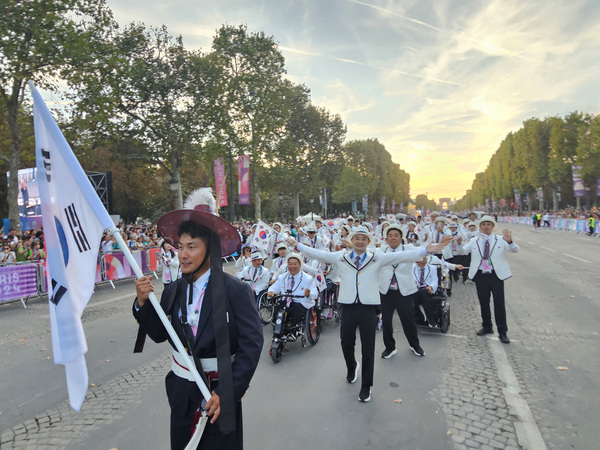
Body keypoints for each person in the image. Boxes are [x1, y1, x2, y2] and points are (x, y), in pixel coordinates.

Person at [133, 188, 263, 449]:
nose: (183, 254)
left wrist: (228, 392)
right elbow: (161, 334)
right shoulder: (174, 289)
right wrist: (142, 303)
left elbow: (252, 344)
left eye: (192, 247)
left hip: (218, 393)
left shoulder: (235, 290)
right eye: (180, 247)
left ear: (210, 249)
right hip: (182, 393)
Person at [287, 226, 447, 403]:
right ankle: (352, 366)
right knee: (346, 342)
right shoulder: (341, 257)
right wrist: (297, 246)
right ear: (352, 241)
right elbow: (319, 255)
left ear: (368, 242)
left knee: (368, 347)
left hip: (368, 307)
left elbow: (401, 256)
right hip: (347, 305)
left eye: (364, 239)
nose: (360, 241)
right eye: (357, 238)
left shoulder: (376, 257)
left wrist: (425, 250)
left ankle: (366, 386)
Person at [456, 215, 519, 344]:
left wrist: (510, 241)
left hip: (496, 275)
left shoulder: (500, 240)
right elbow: (463, 252)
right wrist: (458, 245)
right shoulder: (474, 241)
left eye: (488, 224)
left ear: (493, 227)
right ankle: (487, 326)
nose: (486, 226)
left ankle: (503, 332)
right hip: (481, 274)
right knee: (483, 302)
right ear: (480, 226)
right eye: (483, 224)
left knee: (499, 304)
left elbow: (514, 250)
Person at [376, 224, 426, 358]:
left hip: (405, 291)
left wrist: (423, 260)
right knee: (386, 321)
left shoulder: (409, 249)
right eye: (390, 236)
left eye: (396, 236)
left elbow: (422, 261)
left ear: (401, 238)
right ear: (386, 238)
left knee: (408, 320)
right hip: (386, 291)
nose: (393, 238)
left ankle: (415, 345)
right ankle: (390, 348)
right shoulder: (381, 251)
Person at [267, 252, 318, 327]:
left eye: (295, 264)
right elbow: (275, 287)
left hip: (301, 301)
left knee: (295, 308)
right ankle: (277, 326)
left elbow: (315, 293)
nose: (292, 266)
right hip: (286, 301)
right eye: (290, 264)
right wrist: (271, 291)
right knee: (278, 306)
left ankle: (293, 328)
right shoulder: (282, 277)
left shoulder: (308, 278)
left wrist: (309, 294)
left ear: (300, 265)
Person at [413, 257, 440, 328]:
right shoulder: (411, 269)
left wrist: (431, 287)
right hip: (416, 291)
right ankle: (425, 317)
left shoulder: (432, 268)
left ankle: (428, 318)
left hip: (428, 290)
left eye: (425, 256)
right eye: (422, 256)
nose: (425, 258)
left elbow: (435, 281)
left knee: (424, 292)